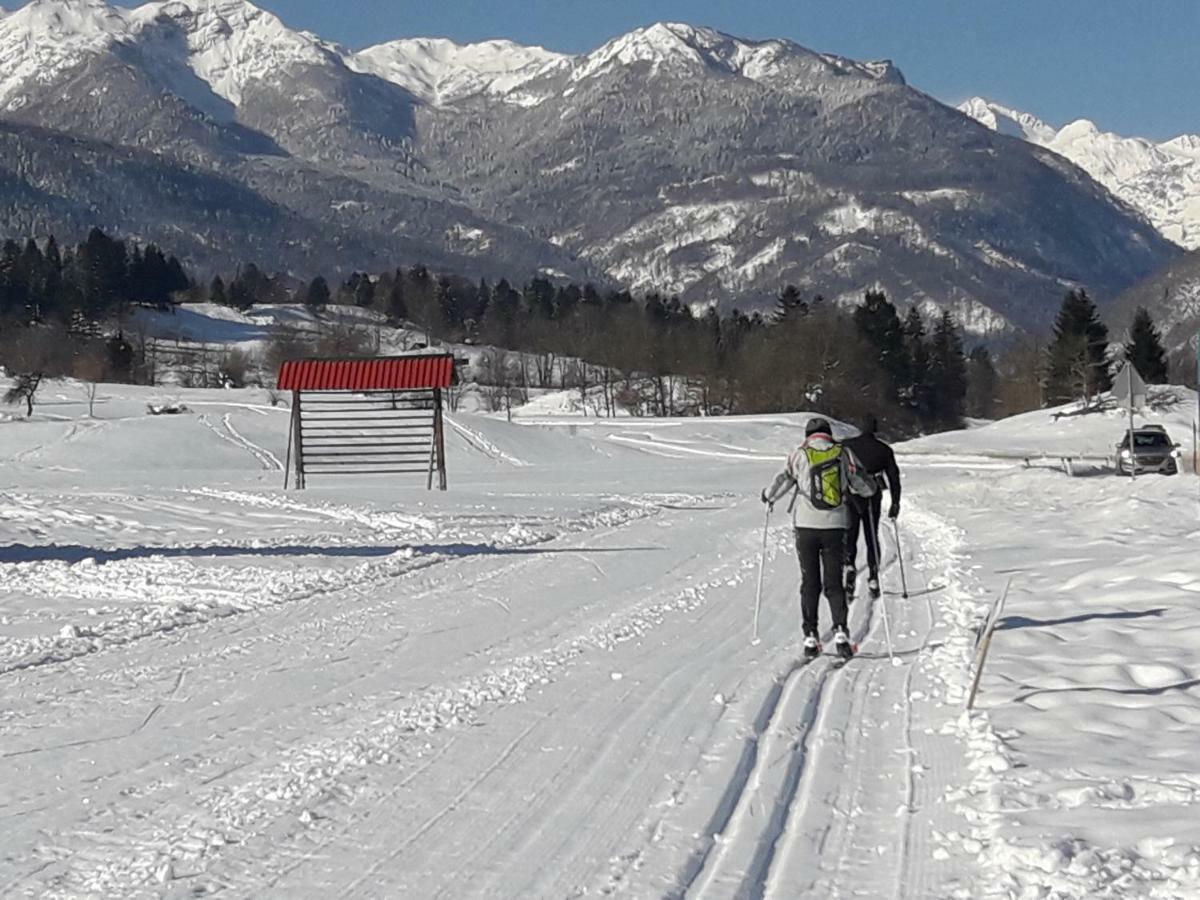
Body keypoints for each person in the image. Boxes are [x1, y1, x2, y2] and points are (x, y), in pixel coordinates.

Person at [761, 417, 876, 660]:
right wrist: (870, 490)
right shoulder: (843, 453)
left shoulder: (799, 453)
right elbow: (862, 485)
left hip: (805, 527)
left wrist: (769, 497)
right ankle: (841, 633)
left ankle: (810, 636)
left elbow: (783, 479)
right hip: (836, 526)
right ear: (828, 433)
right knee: (834, 583)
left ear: (808, 435)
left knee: (809, 582)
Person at [842, 415, 901, 601]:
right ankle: (873, 575)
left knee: (850, 532)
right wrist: (895, 503)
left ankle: (849, 565)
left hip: (850, 494)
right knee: (871, 535)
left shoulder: (846, 446)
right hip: (872, 495)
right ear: (875, 429)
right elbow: (894, 478)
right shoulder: (884, 450)